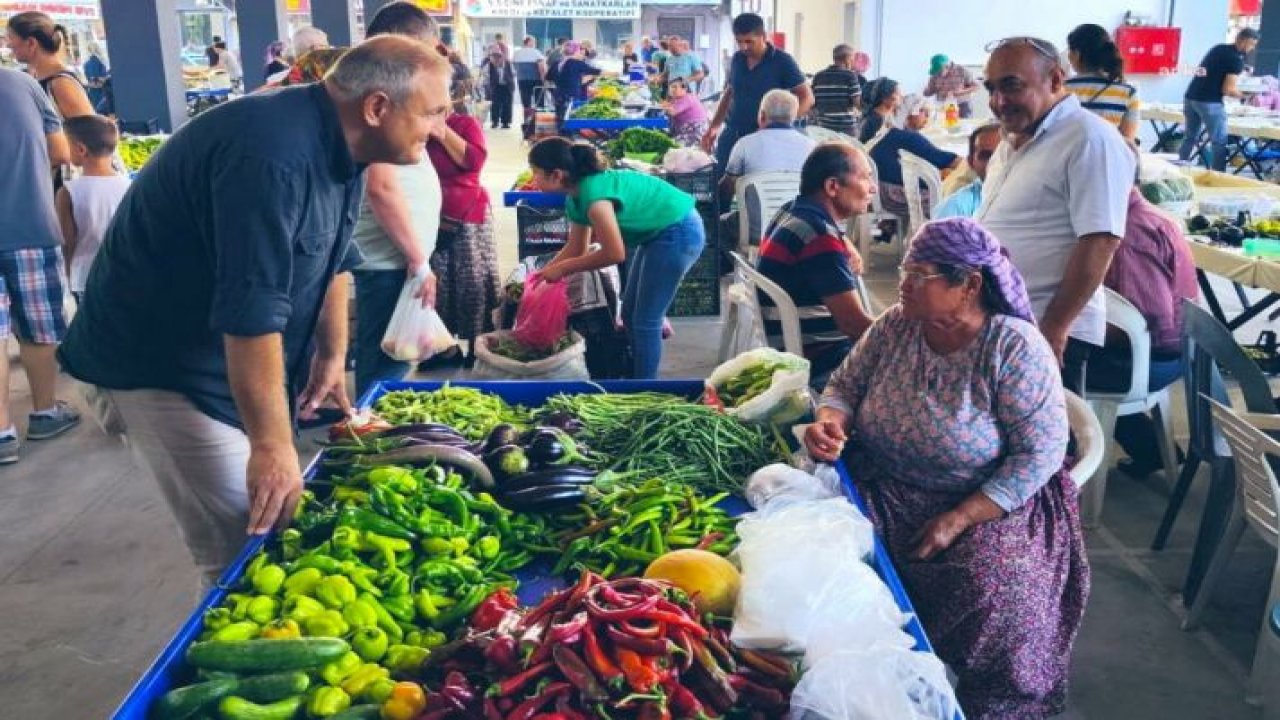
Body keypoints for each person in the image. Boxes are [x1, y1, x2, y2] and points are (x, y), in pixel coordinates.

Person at [57, 36, 453, 584]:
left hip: (223, 360)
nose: (441, 128)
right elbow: (251, 311)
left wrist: (332, 353)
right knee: (249, 546)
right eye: (434, 112)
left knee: (273, 524)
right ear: (377, 107)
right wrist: (272, 445)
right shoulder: (269, 156)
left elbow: (337, 256)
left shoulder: (347, 142)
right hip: (161, 369)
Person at [805, 217, 1086, 719]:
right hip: (883, 480)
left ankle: (1001, 707)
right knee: (825, 561)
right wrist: (830, 420)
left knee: (995, 592)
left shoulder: (1013, 347)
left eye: (919, 275)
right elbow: (844, 385)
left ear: (969, 285)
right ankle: (877, 698)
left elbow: (1039, 454)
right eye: (906, 272)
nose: (902, 285)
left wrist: (961, 517)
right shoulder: (898, 325)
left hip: (988, 501)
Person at [976, 36, 1135, 392]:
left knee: (1049, 442)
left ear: (1056, 80)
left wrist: (1055, 328)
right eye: (992, 88)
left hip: (1046, 326)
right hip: (1001, 320)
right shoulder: (1010, 142)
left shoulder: (1089, 139)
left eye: (1012, 86)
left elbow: (1101, 240)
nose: (999, 101)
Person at [529, 138, 704, 379]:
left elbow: (614, 253)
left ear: (556, 175)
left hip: (678, 231)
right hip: (657, 234)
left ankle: (645, 392)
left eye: (536, 173)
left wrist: (563, 269)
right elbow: (577, 247)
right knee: (631, 314)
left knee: (645, 321)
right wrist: (542, 274)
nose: (532, 180)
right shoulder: (576, 198)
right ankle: (637, 377)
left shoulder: (595, 198)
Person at [349, 5, 445, 397]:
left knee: (393, 358)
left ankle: (373, 428)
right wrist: (419, 261)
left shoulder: (389, 91)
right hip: (389, 260)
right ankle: (370, 437)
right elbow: (382, 186)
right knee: (386, 365)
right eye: (423, 51)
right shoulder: (379, 96)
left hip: (395, 257)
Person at [1088, 148, 1199, 477]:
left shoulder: (1129, 233)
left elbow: (1152, 327)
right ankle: (1150, 448)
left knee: (1039, 368)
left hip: (1153, 359)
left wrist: (1069, 326)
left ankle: (1061, 475)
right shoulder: (1140, 214)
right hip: (1157, 352)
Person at [0, 67, 77, 464]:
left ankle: (2, 434)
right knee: (38, 329)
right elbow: (61, 152)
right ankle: (45, 412)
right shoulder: (23, 83)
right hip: (30, 223)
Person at [758, 144, 875, 384]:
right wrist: (908, 336)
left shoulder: (793, 211)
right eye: (865, 178)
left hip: (792, 342)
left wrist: (844, 242)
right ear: (833, 186)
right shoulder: (819, 238)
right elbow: (853, 325)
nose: (872, 188)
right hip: (823, 356)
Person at [427, 111, 498, 367]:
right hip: (429, 214)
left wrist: (442, 132)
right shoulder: (411, 121)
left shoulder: (465, 124)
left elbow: (474, 161)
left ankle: (477, 347)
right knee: (437, 284)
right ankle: (444, 349)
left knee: (473, 282)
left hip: (467, 213)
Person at [703, 13, 813, 174]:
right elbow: (729, 92)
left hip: (765, 137)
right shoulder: (737, 59)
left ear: (763, 36)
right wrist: (714, 126)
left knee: (756, 181)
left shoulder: (783, 61)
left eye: (749, 41)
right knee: (722, 179)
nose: (743, 47)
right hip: (733, 131)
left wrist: (781, 125)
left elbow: (807, 97)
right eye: (739, 41)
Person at [54, 115, 131, 306]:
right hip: (127, 275)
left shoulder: (68, 192)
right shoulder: (131, 186)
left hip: (86, 277)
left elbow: (67, 242)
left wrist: (66, 276)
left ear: (80, 149)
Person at [867, 92, 960, 218]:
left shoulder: (887, 133)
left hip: (879, 194)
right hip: (901, 198)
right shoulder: (909, 137)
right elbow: (948, 160)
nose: (927, 116)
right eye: (923, 111)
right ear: (911, 113)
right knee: (962, 195)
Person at [718, 89, 817, 206]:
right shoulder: (812, 146)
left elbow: (727, 188)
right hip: (797, 220)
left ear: (762, 116)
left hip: (755, 222)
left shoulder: (745, 144)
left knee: (723, 220)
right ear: (794, 117)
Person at [1180, 28, 1259, 171]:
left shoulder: (1218, 48)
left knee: (1190, 137)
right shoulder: (1236, 61)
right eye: (1251, 44)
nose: (1252, 49)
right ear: (1243, 41)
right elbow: (1227, 89)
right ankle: (1219, 174)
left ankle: (1180, 168)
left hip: (1191, 96)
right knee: (1219, 141)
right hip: (1210, 102)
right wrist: (1245, 95)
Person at [6, 12, 95, 120]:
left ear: (31, 43)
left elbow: (91, 131)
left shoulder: (61, 83)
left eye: (11, 38)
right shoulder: (38, 79)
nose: (8, 44)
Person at [1065, 24, 1140, 141]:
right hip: (1109, 158)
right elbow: (1127, 141)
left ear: (1077, 54)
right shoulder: (1128, 93)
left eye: (1069, 50)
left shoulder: (1060, 89)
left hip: (1068, 158)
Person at [933, 123, 1001, 219]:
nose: (996, 162)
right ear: (971, 162)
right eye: (986, 156)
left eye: (1003, 154)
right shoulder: (956, 209)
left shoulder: (1027, 200)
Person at [811, 44, 863, 135]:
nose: (853, 62)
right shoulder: (850, 75)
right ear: (847, 58)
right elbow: (858, 103)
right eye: (852, 58)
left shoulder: (818, 76)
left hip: (824, 127)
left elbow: (812, 102)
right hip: (846, 128)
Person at [553, 41, 602, 118]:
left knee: (561, 118)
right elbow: (596, 72)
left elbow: (550, 77)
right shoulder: (575, 63)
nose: (583, 52)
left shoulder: (559, 62)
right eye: (581, 49)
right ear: (576, 52)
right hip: (571, 95)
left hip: (560, 94)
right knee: (570, 117)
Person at [923, 53, 979, 118]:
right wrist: (926, 92)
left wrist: (961, 92)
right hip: (943, 106)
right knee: (944, 126)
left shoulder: (962, 70)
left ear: (946, 66)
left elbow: (976, 86)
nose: (938, 74)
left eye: (939, 71)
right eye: (936, 72)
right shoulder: (935, 75)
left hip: (962, 105)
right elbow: (929, 91)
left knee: (964, 125)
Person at [664, 77, 709, 146]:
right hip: (687, 131)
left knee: (670, 146)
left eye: (676, 87)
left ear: (684, 89)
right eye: (671, 87)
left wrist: (662, 107)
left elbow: (672, 112)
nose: (673, 90)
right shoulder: (677, 100)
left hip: (695, 133)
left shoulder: (687, 98)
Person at [857, 76, 900, 143]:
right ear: (884, 98)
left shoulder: (885, 117)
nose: (901, 96)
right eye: (897, 93)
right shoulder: (875, 120)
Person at [482, 50, 515, 129]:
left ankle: (505, 122)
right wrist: (487, 84)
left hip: (507, 86)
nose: (494, 61)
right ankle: (495, 122)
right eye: (493, 58)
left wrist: (509, 80)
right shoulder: (489, 65)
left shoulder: (508, 64)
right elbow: (484, 74)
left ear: (501, 58)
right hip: (495, 87)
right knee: (495, 105)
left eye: (496, 58)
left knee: (507, 105)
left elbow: (513, 73)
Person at [512, 35, 546, 111]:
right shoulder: (536, 52)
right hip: (536, 79)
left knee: (526, 101)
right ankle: (538, 118)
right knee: (539, 100)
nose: (535, 44)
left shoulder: (516, 53)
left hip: (522, 79)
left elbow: (514, 67)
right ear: (529, 42)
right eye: (534, 42)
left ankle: (527, 118)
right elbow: (541, 66)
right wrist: (543, 78)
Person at [82, 41, 111, 115]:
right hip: (102, 92)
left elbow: (88, 78)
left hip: (92, 92)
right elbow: (105, 78)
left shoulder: (86, 64)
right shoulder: (102, 62)